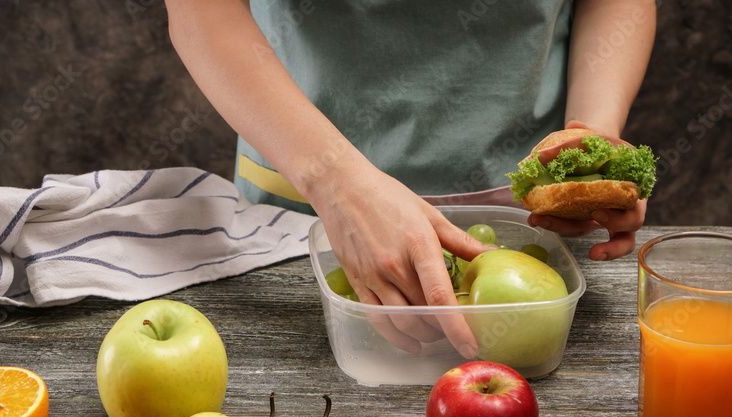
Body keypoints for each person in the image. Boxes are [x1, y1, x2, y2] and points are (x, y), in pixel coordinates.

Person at [165, 0, 655, 355]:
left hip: (525, 238)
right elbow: (202, 13)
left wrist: (591, 141)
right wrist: (337, 185)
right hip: (299, 227)